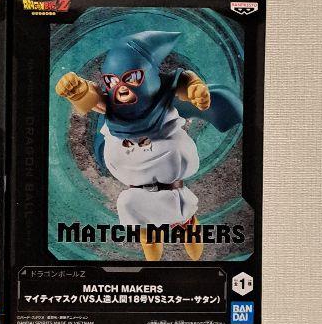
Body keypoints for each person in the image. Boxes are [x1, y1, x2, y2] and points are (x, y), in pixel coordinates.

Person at [55, 29, 242, 261]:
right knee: (148, 236)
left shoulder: (162, 95)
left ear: (150, 77)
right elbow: (91, 99)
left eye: (132, 78)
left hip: (172, 190)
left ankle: (197, 265)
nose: (122, 88)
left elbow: (184, 81)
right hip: (137, 195)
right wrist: (78, 91)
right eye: (112, 81)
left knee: (188, 227)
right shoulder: (111, 106)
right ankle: (154, 269)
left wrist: (195, 89)